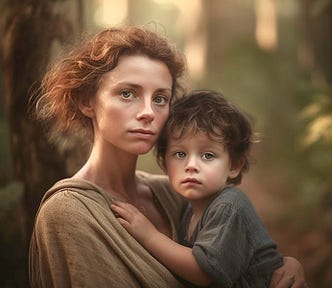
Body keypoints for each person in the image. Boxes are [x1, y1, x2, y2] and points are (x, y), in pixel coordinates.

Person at [29, 25, 307, 288]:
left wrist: (285, 267)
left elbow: (235, 254)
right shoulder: (68, 212)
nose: (148, 111)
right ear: (86, 101)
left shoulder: (175, 192)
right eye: (128, 93)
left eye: (160, 98)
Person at [111, 90, 307, 288]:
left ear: (234, 166)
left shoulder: (229, 206)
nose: (191, 165)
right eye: (180, 154)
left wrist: (149, 235)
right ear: (164, 163)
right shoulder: (188, 209)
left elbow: (202, 272)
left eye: (207, 156)